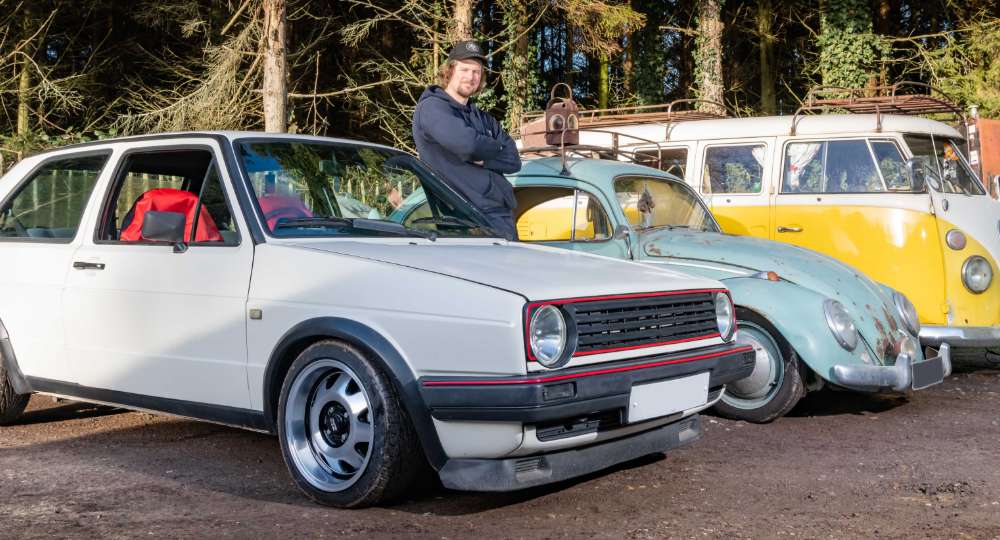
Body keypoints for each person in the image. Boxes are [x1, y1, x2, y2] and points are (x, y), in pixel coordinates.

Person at [412, 40, 522, 240]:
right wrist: (495, 147)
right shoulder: (432, 108)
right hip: (463, 219)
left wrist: (485, 157)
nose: (471, 77)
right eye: (464, 69)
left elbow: (514, 160)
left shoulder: (483, 119)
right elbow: (469, 146)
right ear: (450, 71)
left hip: (499, 215)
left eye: (476, 72)